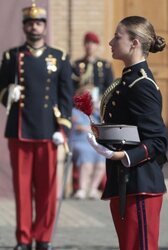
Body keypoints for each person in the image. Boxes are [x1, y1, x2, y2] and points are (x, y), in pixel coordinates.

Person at [87, 16, 168, 250]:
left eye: (117, 37)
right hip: (125, 181)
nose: (111, 42)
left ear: (134, 43)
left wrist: (120, 156)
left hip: (140, 182)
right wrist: (103, 134)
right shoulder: (127, 80)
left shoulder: (141, 84)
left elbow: (158, 141)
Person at [0, 3, 73, 250]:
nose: (35, 26)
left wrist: (62, 128)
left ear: (44, 26)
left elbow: (66, 96)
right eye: (30, 23)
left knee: (47, 191)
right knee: (22, 190)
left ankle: (43, 238)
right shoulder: (11, 56)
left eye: (39, 22)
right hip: (20, 130)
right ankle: (23, 238)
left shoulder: (60, 57)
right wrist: (9, 92)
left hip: (47, 131)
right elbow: (1, 90)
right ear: (24, 27)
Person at [71, 31, 114, 194]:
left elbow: (110, 88)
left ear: (97, 46)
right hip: (81, 109)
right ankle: (81, 187)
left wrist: (101, 103)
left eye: (93, 43)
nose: (90, 46)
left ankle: (94, 187)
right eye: (87, 43)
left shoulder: (104, 65)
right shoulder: (76, 65)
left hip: (98, 108)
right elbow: (71, 88)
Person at [69, 90, 106, 200]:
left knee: (102, 158)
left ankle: (93, 189)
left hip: (92, 143)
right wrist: (88, 128)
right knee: (86, 155)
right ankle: (82, 189)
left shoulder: (93, 113)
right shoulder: (74, 112)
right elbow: (76, 126)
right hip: (78, 142)